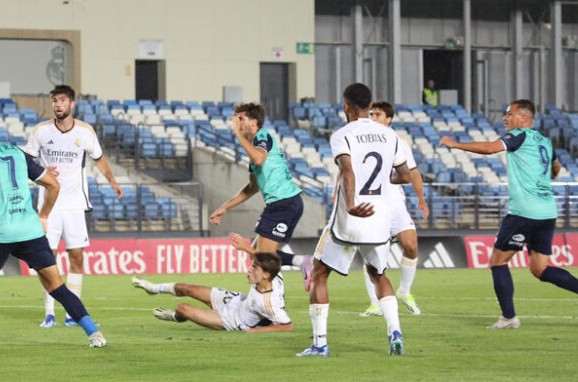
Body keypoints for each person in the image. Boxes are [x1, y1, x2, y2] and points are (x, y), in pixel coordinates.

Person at [0, 109, 106, 351]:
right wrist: (43, 215)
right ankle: (95, 333)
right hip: (30, 229)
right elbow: (52, 184)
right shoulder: (15, 151)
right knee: (57, 287)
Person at [439, 99, 578, 328]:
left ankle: (508, 317)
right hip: (546, 212)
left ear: (524, 118)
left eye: (509, 114)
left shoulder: (520, 136)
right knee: (539, 268)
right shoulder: (544, 141)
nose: (505, 118)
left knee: (498, 260)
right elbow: (556, 168)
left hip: (524, 212)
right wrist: (546, 178)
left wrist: (454, 144)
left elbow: (490, 148)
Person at [297, 83, 411, 358]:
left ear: (347, 106)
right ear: (370, 106)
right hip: (380, 218)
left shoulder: (342, 135)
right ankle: (395, 333)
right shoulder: (390, 135)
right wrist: (385, 182)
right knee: (379, 274)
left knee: (319, 273)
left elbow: (347, 172)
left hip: (351, 217)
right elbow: (406, 176)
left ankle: (320, 344)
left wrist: (350, 203)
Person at [23, 85, 124, 328]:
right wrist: (42, 170)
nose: (57, 104)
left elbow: (99, 158)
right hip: (48, 205)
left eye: (62, 100)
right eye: (54, 101)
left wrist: (113, 183)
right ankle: (49, 313)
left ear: (72, 104)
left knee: (77, 257)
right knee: (48, 259)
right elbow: (26, 159)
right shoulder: (41, 131)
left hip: (75, 204)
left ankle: (72, 313)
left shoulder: (86, 132)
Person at [209, 103, 313, 289]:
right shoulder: (253, 151)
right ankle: (298, 265)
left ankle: (301, 265)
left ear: (254, 122)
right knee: (256, 255)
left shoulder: (262, 136)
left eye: (241, 118)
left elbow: (259, 158)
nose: (237, 122)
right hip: (281, 204)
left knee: (262, 258)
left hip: (284, 203)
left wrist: (237, 134)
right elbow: (251, 187)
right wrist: (224, 207)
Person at [361, 101, 429, 317]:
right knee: (373, 256)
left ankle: (404, 291)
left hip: (395, 204)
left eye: (378, 114)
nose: (373, 117)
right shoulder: (362, 142)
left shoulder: (399, 143)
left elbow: (413, 172)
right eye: (371, 114)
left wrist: (421, 199)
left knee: (411, 245)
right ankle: (375, 303)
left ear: (389, 119)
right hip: (373, 203)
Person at [131, 252, 292, 333]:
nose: (249, 269)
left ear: (265, 275)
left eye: (254, 268)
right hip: (236, 301)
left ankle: (174, 317)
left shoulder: (268, 302)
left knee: (182, 308)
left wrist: (256, 331)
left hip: (230, 320)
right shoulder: (273, 275)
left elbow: (287, 326)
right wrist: (244, 247)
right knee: (187, 288)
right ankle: (152, 288)